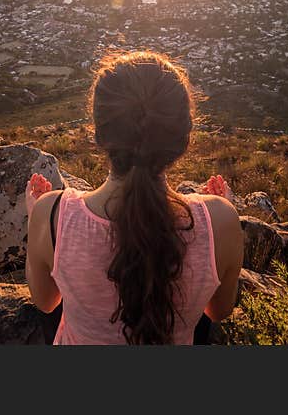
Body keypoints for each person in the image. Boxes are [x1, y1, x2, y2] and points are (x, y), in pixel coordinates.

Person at [25, 51, 243, 345]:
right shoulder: (222, 220)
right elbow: (218, 311)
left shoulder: (52, 212)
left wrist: (40, 221)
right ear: (183, 138)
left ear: (100, 134)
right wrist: (213, 216)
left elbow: (46, 301)